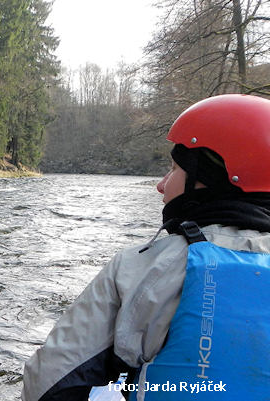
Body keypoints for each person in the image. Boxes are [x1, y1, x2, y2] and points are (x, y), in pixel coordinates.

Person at [21, 94, 270, 401]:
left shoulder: (142, 267)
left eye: (174, 169)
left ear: (207, 180)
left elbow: (46, 387)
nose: (162, 184)